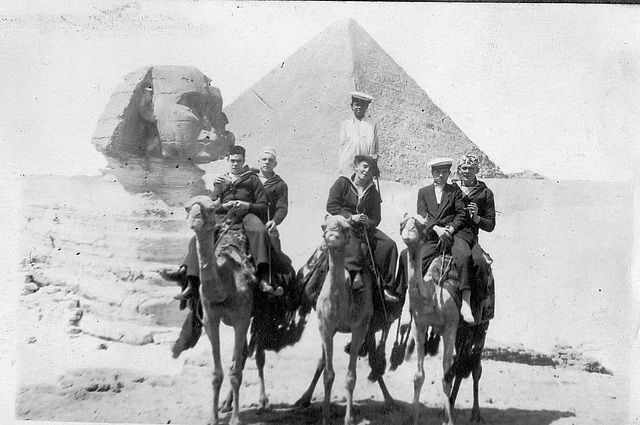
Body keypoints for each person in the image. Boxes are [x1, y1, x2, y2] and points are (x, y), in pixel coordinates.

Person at [160, 145, 284, 298]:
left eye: (238, 161)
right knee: (197, 239)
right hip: (224, 216)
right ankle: (189, 278)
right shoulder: (221, 181)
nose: (235, 164)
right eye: (232, 161)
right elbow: (212, 204)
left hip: (246, 216)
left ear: (243, 161)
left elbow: (262, 205)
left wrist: (246, 205)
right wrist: (222, 205)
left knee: (260, 231)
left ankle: (264, 277)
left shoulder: (253, 180)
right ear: (228, 160)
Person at [326, 154, 399, 302]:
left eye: (371, 169)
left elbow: (376, 218)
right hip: (344, 224)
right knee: (351, 239)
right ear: (356, 167)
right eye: (365, 166)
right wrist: (350, 217)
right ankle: (354, 273)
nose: (367, 171)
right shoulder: (343, 183)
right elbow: (332, 206)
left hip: (365, 228)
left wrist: (368, 221)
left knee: (389, 245)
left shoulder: (372, 191)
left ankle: (386, 287)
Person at [414, 157, 475, 324]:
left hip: (452, 233)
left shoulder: (455, 191)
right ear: (432, 173)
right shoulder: (423, 192)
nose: (440, 175)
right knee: (418, 259)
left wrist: (451, 229)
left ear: (449, 173)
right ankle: (412, 301)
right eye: (437, 172)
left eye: (443, 172)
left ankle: (465, 303)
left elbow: (461, 214)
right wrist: (436, 229)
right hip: (433, 233)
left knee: (463, 255)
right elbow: (422, 213)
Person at [453, 154, 496, 309]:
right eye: (464, 168)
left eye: (471, 168)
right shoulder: (452, 189)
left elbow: (490, 224)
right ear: (459, 170)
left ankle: (480, 306)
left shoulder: (486, 193)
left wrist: (477, 217)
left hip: (472, 237)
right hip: (454, 234)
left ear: (477, 169)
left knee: (480, 262)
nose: (467, 171)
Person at [255, 146, 288, 253]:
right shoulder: (249, 179)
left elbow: (282, 207)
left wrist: (275, 221)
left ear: (275, 164)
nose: (267, 162)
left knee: (276, 254)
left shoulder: (280, 184)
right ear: (258, 161)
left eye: (270, 160)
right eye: (264, 159)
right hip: (247, 221)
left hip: (267, 223)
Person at [338, 91, 379, 176]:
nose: (359, 107)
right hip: (349, 164)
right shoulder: (346, 125)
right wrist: (342, 165)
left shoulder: (372, 124)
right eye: (356, 104)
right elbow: (341, 146)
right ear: (351, 106)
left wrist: (374, 162)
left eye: (362, 105)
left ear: (366, 106)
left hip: (365, 166)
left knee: (363, 187)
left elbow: (376, 145)